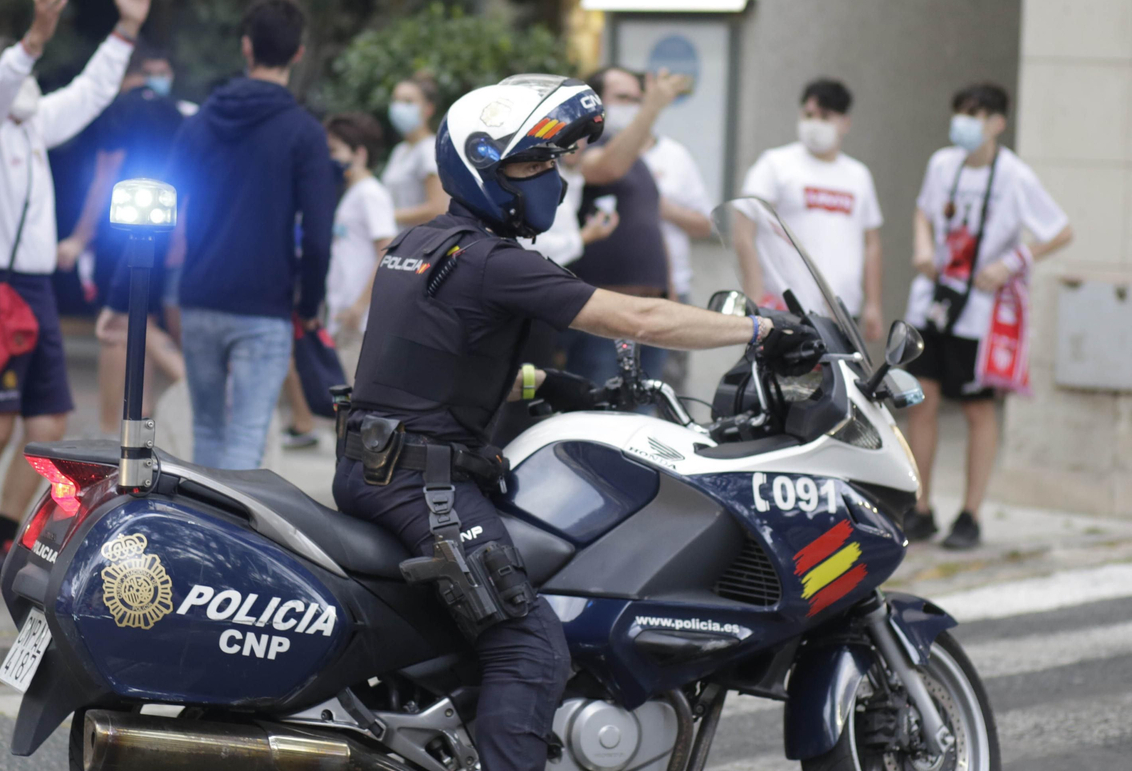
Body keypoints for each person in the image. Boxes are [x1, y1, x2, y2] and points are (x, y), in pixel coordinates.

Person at [336, 75, 823, 771]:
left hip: (375, 467)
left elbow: (433, 363)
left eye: (553, 161)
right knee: (530, 646)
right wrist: (759, 329)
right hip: (424, 487)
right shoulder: (494, 262)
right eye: (532, 164)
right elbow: (640, 317)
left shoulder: (421, 244)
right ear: (482, 169)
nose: (552, 178)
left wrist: (550, 385)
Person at [0, 0, 153, 591]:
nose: (28, 86)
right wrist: (31, 42)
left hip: (33, 290)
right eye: (16, 75)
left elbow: (89, 93)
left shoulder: (32, 127)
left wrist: (126, 30)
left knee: (48, 426)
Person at [901, 83, 1072, 549]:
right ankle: (920, 507)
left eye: (975, 115)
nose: (964, 123)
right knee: (921, 401)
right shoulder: (942, 164)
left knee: (977, 408)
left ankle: (971, 514)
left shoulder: (1015, 176)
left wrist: (1012, 263)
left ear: (997, 123)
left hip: (979, 311)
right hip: (935, 300)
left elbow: (1059, 231)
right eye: (960, 112)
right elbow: (923, 212)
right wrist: (922, 246)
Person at [173, 0, 337, 471]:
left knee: (206, 430)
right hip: (265, 305)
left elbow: (163, 204)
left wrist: (127, 294)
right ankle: (232, 523)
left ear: (246, 46)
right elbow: (319, 236)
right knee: (247, 436)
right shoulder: (304, 133)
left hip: (199, 295)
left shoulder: (200, 123)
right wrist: (309, 304)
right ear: (298, 52)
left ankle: (202, 517)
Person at [55, 42, 187, 432]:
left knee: (115, 326)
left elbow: (105, 178)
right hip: (163, 224)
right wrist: (179, 236)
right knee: (143, 317)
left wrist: (80, 237)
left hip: (123, 229)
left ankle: (113, 427)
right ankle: (140, 418)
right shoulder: (174, 111)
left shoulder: (119, 109)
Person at [563, 66, 687, 386]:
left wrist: (669, 291)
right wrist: (651, 109)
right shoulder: (582, 146)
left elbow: (654, 225)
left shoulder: (638, 159)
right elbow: (608, 168)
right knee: (601, 403)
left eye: (637, 99)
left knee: (645, 403)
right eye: (623, 97)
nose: (633, 105)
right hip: (605, 311)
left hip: (652, 310)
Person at [740, 78, 885, 341]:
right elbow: (743, 231)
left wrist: (873, 304)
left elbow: (871, 244)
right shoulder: (775, 164)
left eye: (825, 116)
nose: (815, 123)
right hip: (785, 310)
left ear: (845, 123)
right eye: (809, 115)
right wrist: (755, 294)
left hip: (842, 312)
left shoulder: (858, 175)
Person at [324, 112, 398, 380]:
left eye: (334, 150)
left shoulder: (370, 194)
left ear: (359, 154)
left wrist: (359, 306)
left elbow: (387, 252)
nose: (329, 158)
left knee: (351, 398)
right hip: (343, 316)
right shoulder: (353, 193)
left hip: (359, 322)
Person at [646, 129, 714, 393]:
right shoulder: (601, 152)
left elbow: (705, 224)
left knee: (671, 386)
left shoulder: (675, 155)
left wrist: (662, 207)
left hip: (672, 289)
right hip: (615, 290)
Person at [384, 73, 447, 227]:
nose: (399, 107)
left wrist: (386, 215)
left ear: (428, 109)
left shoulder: (430, 149)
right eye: (395, 100)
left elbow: (438, 208)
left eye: (408, 101)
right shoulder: (399, 150)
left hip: (421, 239)